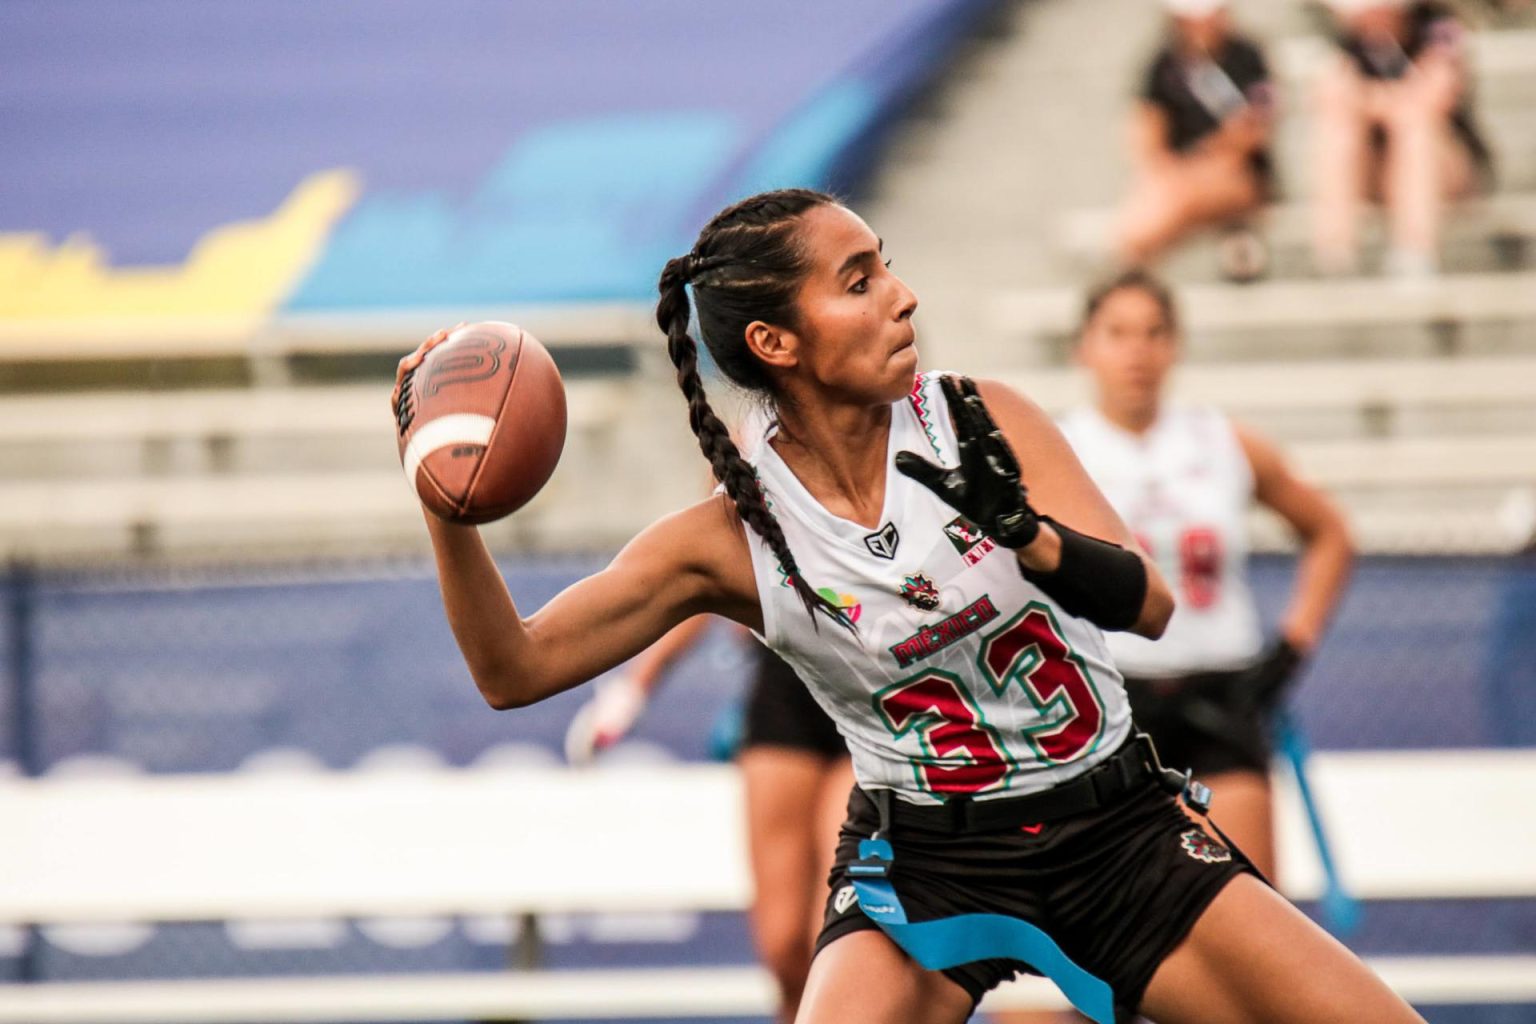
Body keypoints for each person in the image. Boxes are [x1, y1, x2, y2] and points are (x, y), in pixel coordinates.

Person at [395, 188, 1420, 1023]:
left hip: (1114, 826)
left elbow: (1149, 605)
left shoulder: (982, 419)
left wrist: (1031, 537)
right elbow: (513, 669)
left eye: (883, 264)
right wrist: (446, 500)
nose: (903, 296)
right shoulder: (728, 535)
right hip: (929, 856)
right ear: (777, 341)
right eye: (859, 280)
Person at [1059, 267, 1355, 883]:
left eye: (1154, 332)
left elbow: (1330, 532)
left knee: (1251, 907)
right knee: (1121, 918)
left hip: (1220, 696)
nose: (1137, 351)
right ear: (1084, 345)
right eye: (1118, 333)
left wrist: (1292, 646)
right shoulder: (1057, 450)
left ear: (1176, 344)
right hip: (1108, 700)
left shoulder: (1222, 441)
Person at [564, 614, 853, 1022]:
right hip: (786, 693)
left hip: (872, 705)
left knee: (830, 944)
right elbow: (702, 574)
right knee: (783, 949)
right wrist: (632, 689)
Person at [1311, 0, 1494, 277]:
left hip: (1445, 167)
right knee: (1339, 133)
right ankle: (1335, 252)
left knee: (1415, 131)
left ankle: (1415, 250)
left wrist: (1371, 101)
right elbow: (1331, 97)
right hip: (1379, 173)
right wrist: (1392, 102)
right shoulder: (1347, 44)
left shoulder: (1439, 30)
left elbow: (1436, 97)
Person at [1117, 0, 1277, 278]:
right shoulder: (1163, 64)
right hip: (1182, 179)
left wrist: (1195, 164)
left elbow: (1253, 132)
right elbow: (1148, 125)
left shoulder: (1247, 57)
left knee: (1157, 210)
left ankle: (1132, 263)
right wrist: (1166, 167)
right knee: (1161, 193)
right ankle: (1135, 264)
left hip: (1240, 176)